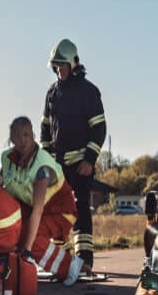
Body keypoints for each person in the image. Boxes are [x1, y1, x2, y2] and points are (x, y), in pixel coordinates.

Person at [40, 39, 107, 273]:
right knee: (57, 210)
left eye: (61, 65)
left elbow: (99, 128)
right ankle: (60, 260)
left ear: (73, 64)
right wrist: (47, 161)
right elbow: (45, 128)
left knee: (80, 211)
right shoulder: (52, 93)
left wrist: (89, 160)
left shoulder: (88, 92)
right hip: (58, 167)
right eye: (55, 66)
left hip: (81, 165)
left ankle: (85, 260)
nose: (58, 70)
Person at [0, 116, 83, 286]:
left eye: (26, 135)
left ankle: (70, 266)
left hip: (60, 211)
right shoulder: (7, 158)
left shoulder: (42, 166)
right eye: (17, 136)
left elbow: (38, 209)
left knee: (32, 237)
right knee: (12, 227)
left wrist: (27, 250)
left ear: (33, 136)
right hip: (34, 209)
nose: (22, 141)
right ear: (11, 139)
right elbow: (0, 183)